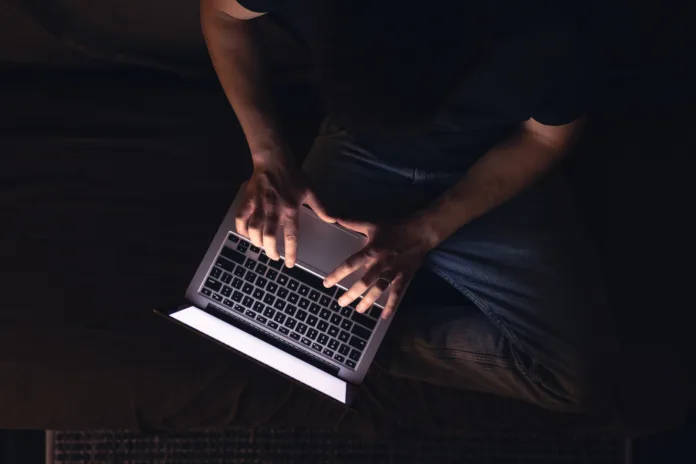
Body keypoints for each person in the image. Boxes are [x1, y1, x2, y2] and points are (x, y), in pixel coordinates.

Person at [200, 0, 617, 412]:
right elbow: (220, 14)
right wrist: (269, 156)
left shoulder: (552, 29)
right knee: (262, 315)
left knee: (567, 377)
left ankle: (347, 338)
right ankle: (333, 336)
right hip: (360, 151)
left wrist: (427, 231)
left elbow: (545, 138)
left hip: (488, 164)